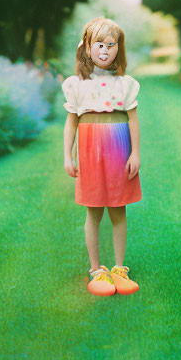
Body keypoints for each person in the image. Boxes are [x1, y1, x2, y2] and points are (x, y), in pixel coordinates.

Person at [62, 16, 142, 296]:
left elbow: (133, 120)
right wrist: (67, 156)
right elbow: (71, 122)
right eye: (99, 44)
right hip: (90, 150)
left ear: (119, 48)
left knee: (119, 208)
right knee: (94, 209)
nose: (105, 51)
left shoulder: (126, 84)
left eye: (111, 44)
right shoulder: (76, 84)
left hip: (119, 149)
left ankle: (120, 268)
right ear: (86, 47)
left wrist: (135, 153)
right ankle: (97, 270)